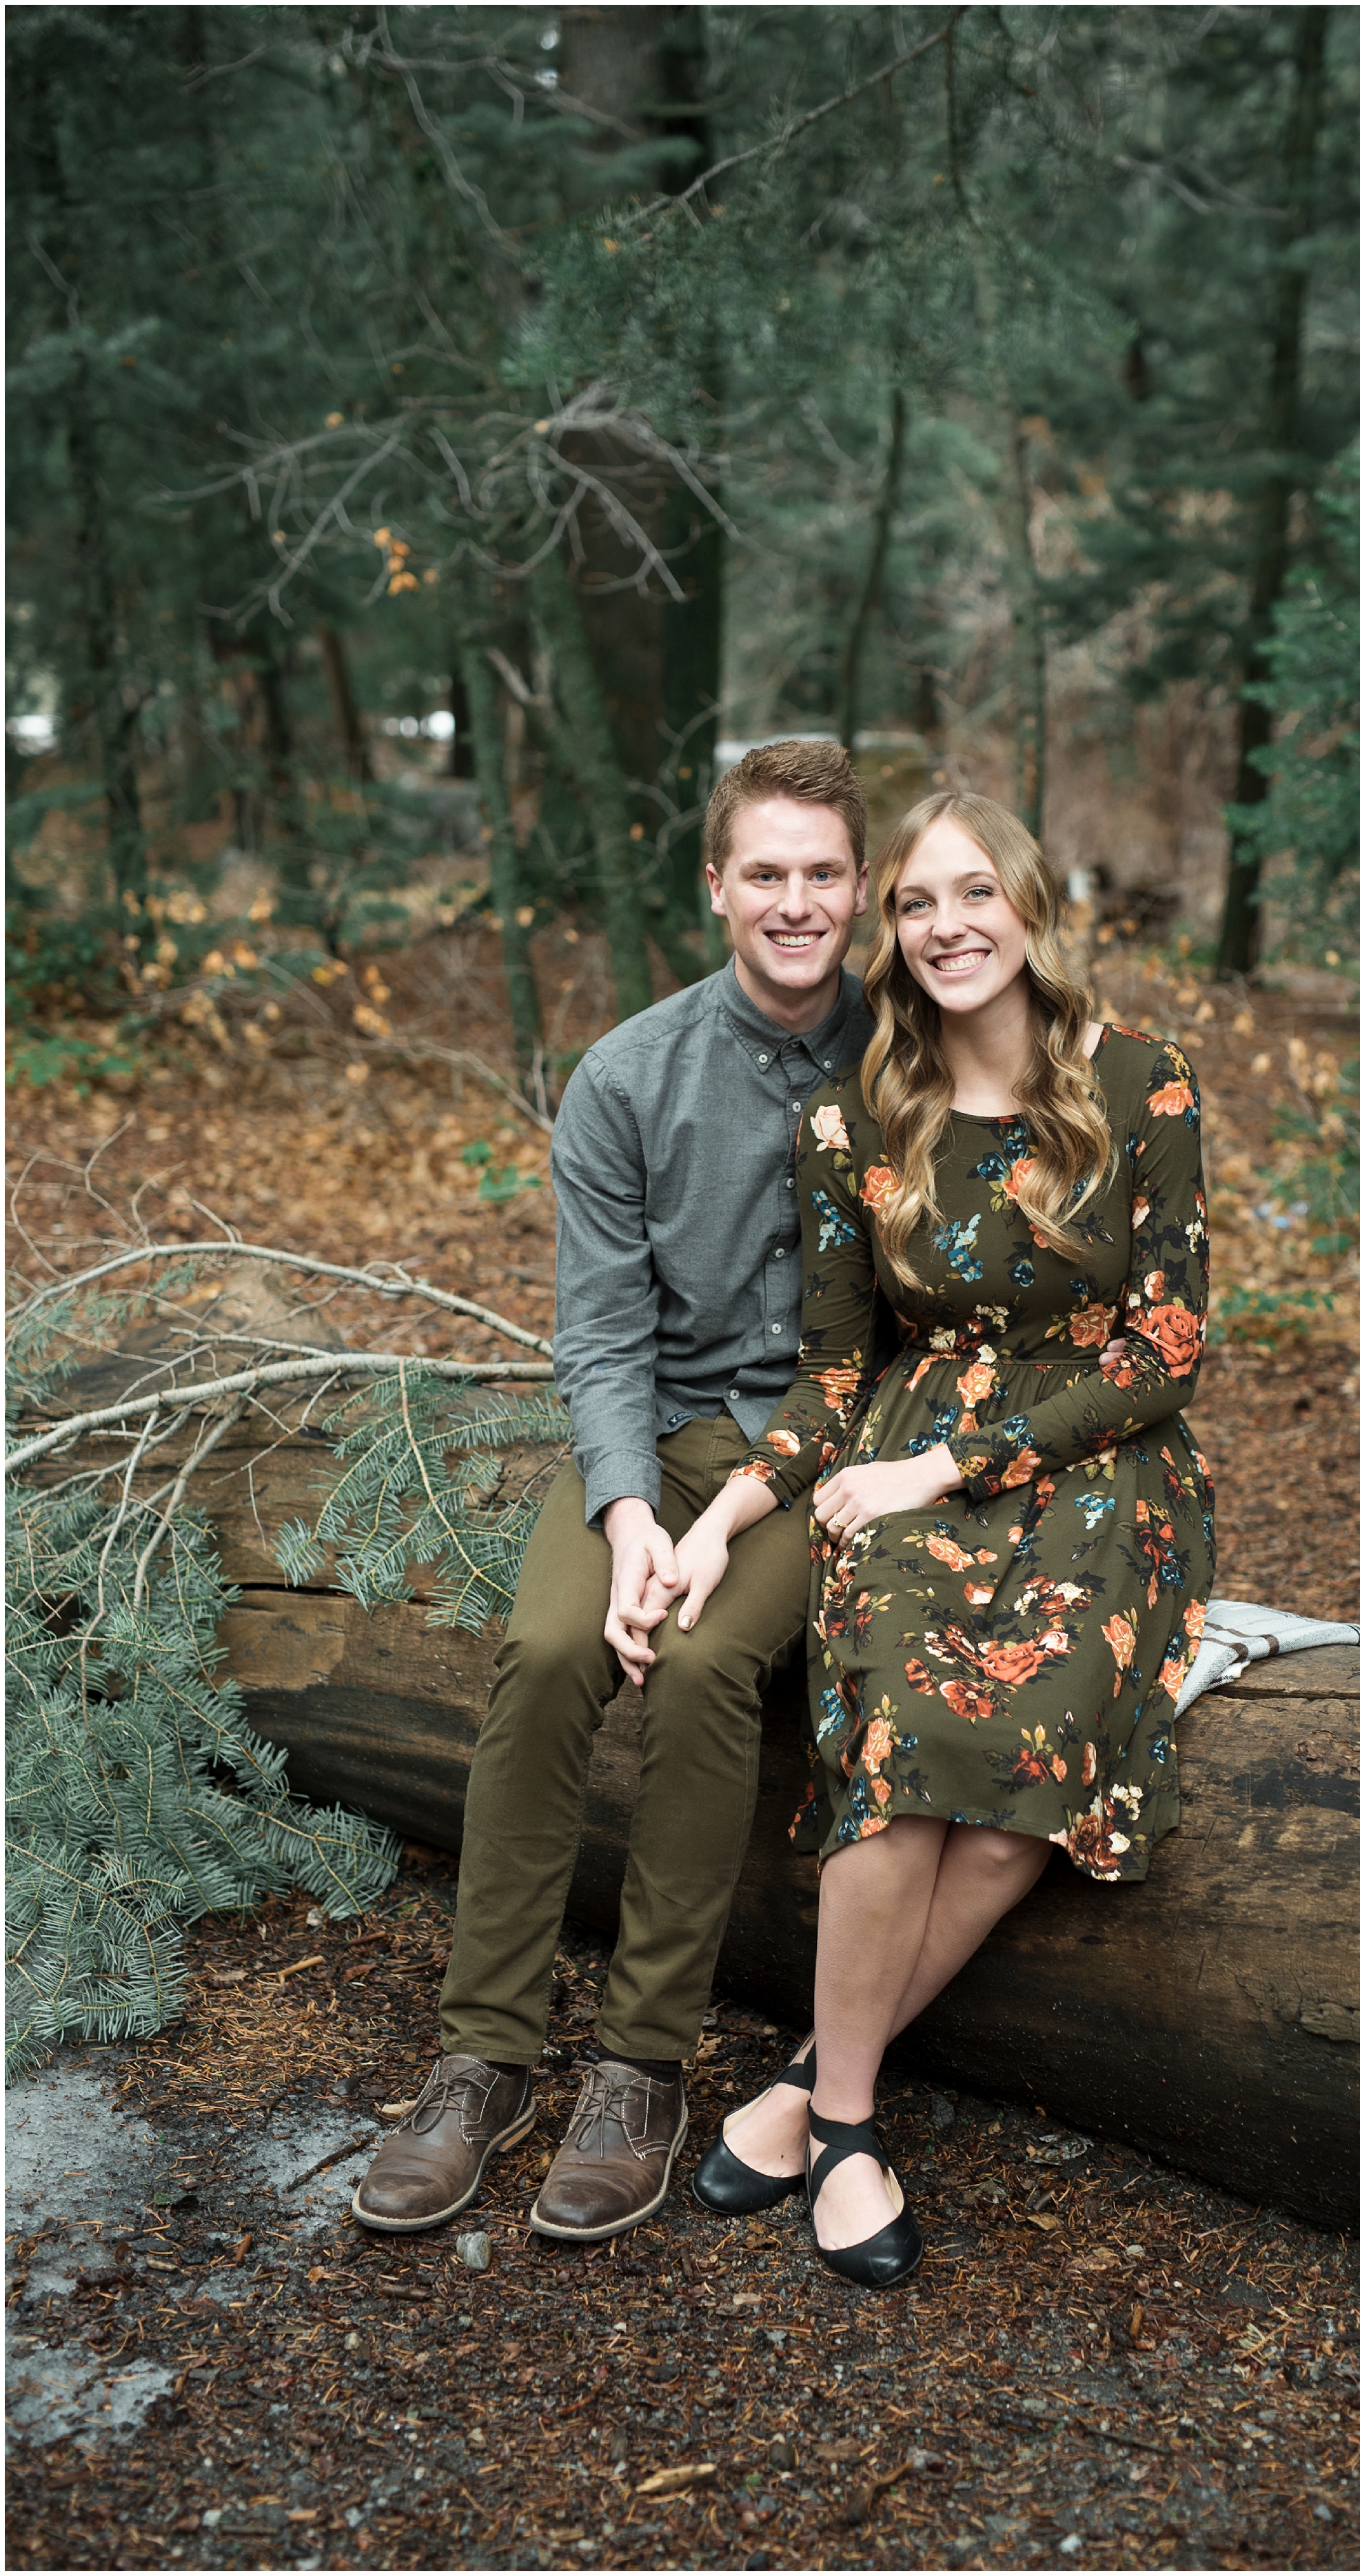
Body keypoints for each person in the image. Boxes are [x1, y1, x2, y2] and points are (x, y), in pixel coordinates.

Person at [671, 790, 1215, 2287]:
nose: (947, 926)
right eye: (915, 904)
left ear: (1030, 912)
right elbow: (835, 1376)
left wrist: (949, 1465)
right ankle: (847, 2124)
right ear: (891, 935)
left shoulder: (1140, 1085)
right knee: (906, 1743)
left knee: (1017, 1783)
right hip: (898, 1463)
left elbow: (1162, 1350)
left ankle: (804, 2091)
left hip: (1100, 1471)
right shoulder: (856, 1119)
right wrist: (731, 1511)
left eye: (975, 894)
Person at [351, 739, 877, 2242]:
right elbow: (596, 1333)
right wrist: (630, 1512)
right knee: (549, 1647)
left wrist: (734, 1521)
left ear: (858, 889)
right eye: (763, 872)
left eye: (821, 873)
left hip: (815, 1447)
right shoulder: (627, 1074)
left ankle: (641, 2064)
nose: (793, 901)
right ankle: (484, 2056)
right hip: (652, 1442)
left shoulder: (904, 1061)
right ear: (713, 885)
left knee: (709, 1663)